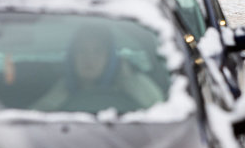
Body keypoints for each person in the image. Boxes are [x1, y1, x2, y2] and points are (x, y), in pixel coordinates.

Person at [33, 24, 164, 112]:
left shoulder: (130, 86)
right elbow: (36, 118)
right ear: (72, 57)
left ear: (110, 58)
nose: (89, 58)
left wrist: (129, 80)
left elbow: (162, 113)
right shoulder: (62, 90)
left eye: (98, 52)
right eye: (81, 51)